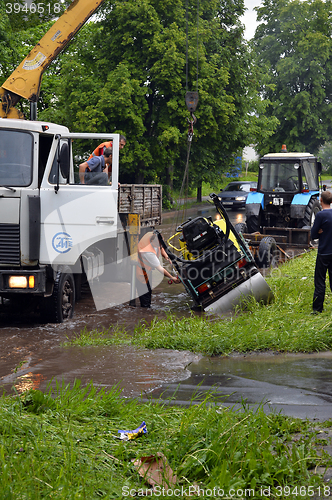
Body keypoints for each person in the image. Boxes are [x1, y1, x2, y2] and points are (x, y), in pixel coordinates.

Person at [136, 231, 180, 308]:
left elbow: (161, 247)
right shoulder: (148, 252)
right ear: (152, 242)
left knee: (149, 291)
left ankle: (145, 311)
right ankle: (145, 314)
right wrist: (172, 278)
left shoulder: (153, 235)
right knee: (145, 296)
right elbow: (160, 268)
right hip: (141, 272)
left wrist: (166, 256)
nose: (159, 246)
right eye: (158, 244)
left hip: (148, 270)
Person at [311, 190, 332, 313]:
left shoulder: (320, 215)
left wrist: (318, 231)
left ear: (321, 201)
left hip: (324, 253)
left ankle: (317, 309)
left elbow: (313, 235)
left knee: (320, 281)